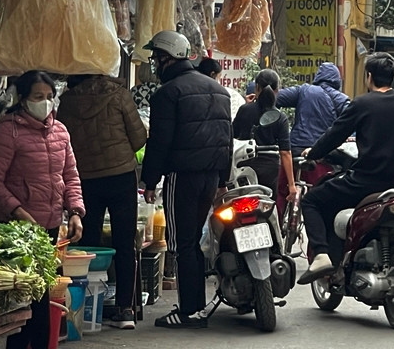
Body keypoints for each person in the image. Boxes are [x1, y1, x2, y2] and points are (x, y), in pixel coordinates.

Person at [0, 71, 85, 349]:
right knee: (22, 292)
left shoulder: (61, 132)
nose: (44, 103)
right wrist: (17, 211)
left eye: (48, 96)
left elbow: (70, 176)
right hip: (17, 229)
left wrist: (76, 211)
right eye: (36, 97)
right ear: (22, 99)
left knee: (44, 290)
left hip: (51, 223)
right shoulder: (8, 131)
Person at [296, 52, 394, 284]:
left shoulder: (362, 103)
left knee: (311, 200)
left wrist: (312, 153)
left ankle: (322, 255)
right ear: (393, 76)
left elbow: (334, 135)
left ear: (368, 76)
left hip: (363, 183)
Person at [140, 31, 232, 329]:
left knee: (183, 243)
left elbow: (159, 143)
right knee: (194, 240)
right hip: (211, 177)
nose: (154, 63)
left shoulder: (167, 94)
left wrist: (150, 181)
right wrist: (223, 180)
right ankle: (195, 305)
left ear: (166, 58)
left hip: (183, 176)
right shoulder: (218, 90)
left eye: (155, 57)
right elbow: (226, 140)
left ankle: (190, 310)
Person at [57, 74, 148, 329]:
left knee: (87, 243)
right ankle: (125, 309)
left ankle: (86, 311)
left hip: (85, 177)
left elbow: (63, 140)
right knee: (124, 241)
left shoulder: (68, 102)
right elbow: (139, 138)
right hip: (120, 176)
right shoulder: (119, 95)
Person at [275, 62, 350, 215]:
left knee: (282, 191)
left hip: (295, 150)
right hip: (321, 154)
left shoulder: (304, 90)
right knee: (320, 198)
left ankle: (278, 229)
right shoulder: (342, 100)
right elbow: (352, 124)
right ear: (337, 80)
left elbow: (277, 98)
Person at [232, 69, 295, 200]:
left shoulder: (244, 110)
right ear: (277, 90)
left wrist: (246, 106)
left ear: (256, 88)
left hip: (244, 166)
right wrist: (292, 185)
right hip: (269, 170)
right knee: (268, 205)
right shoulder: (280, 117)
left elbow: (233, 135)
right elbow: (285, 153)